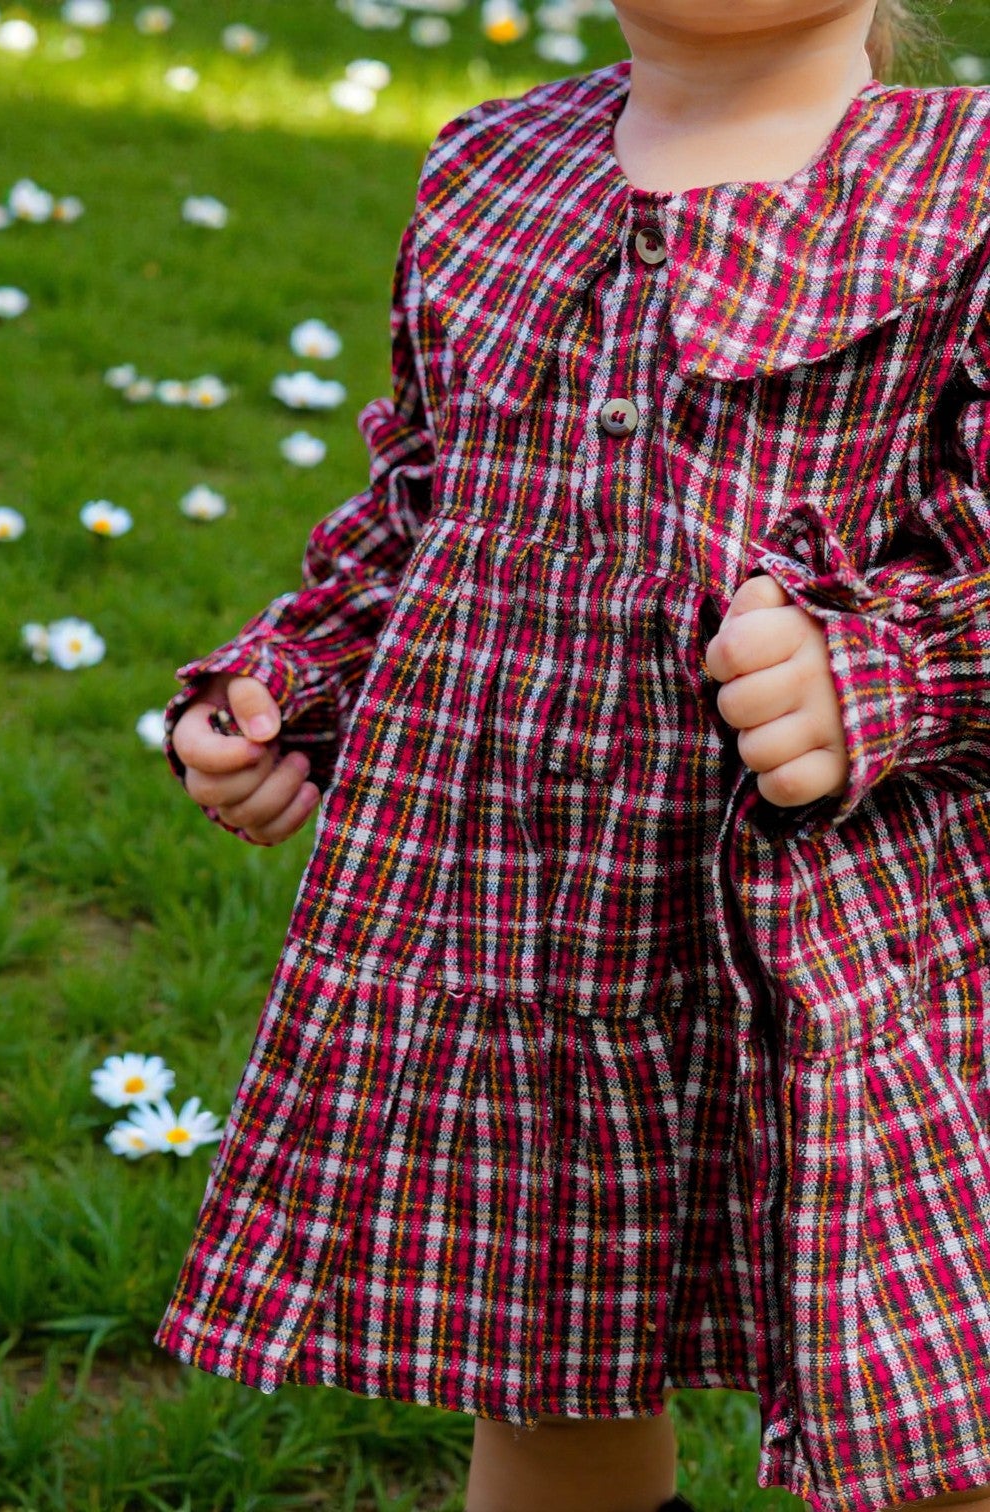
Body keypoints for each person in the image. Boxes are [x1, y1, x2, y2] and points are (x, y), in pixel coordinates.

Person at [154, 2, 990, 1510]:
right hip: (524, 923)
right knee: (545, 1364)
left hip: (830, 944)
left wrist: (871, 674)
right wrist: (291, 683)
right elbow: (423, 497)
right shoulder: (492, 164)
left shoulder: (964, 188)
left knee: (920, 1396)